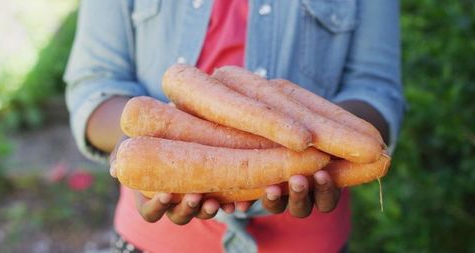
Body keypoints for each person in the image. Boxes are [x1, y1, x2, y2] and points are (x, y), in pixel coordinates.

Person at [64, 0, 404, 252]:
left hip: (309, 240)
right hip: (154, 240)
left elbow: (375, 89)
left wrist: (321, 149)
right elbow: (95, 89)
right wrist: (157, 161)